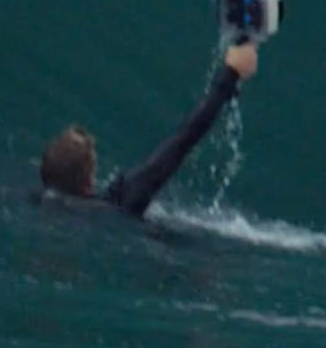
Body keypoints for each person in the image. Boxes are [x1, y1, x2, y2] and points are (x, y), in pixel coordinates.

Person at [38, 42, 258, 217]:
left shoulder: (40, 204)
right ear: (88, 183)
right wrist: (230, 73)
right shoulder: (120, 201)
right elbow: (183, 141)